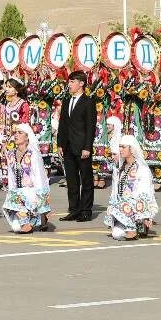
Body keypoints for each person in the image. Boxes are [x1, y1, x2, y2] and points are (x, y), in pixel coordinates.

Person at [57, 71, 97, 222]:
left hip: (82, 147)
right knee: (72, 180)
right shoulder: (66, 101)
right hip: (67, 146)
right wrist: (60, 143)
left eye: (72, 81)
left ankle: (86, 210)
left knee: (86, 179)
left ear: (81, 83)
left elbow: (90, 126)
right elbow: (62, 124)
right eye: (69, 82)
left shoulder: (88, 101)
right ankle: (74, 209)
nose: (69, 84)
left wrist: (87, 147)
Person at [104, 135, 159, 240]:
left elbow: (144, 194)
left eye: (123, 147)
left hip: (136, 206)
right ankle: (133, 227)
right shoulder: (119, 168)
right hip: (123, 207)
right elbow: (115, 191)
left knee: (123, 205)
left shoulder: (142, 169)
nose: (120, 150)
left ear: (132, 148)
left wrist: (144, 217)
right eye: (119, 147)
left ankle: (138, 225)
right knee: (116, 234)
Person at [1, 123, 52, 234]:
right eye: (15, 133)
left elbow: (40, 178)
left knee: (14, 196)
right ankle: (35, 219)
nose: (16, 135)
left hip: (32, 191)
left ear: (27, 137)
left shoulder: (33, 154)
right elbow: (11, 177)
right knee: (15, 227)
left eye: (20, 133)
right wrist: (11, 191)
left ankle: (30, 223)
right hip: (19, 193)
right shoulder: (11, 154)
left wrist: (42, 203)